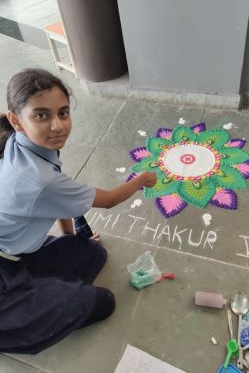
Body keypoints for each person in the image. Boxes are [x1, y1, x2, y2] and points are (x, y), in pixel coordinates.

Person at [0, 68, 156, 354]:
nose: (58, 126)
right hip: (4, 276)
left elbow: (56, 200)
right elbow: (108, 200)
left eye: (63, 112)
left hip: (15, 253)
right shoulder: (37, 178)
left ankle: (44, 292)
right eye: (41, 115)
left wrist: (68, 238)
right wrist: (143, 180)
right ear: (16, 120)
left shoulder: (21, 145)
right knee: (101, 302)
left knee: (92, 253)